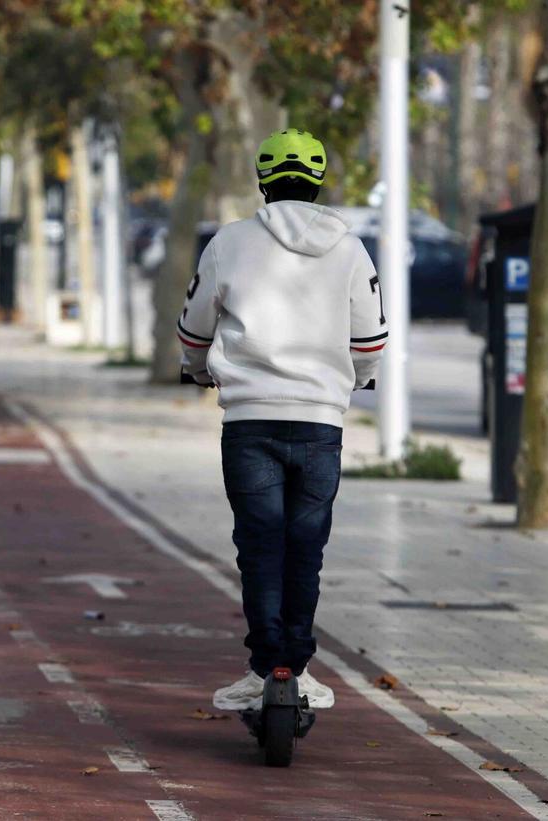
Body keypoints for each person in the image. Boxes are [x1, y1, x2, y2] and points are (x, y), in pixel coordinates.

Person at [177, 128, 387, 712]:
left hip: (249, 422)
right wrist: (357, 377)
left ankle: (264, 665)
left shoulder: (229, 242)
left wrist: (197, 370)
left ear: (263, 181)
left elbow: (195, 329)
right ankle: (297, 667)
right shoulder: (350, 249)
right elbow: (370, 341)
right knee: (306, 547)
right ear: (319, 182)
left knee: (260, 546)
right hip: (322, 424)